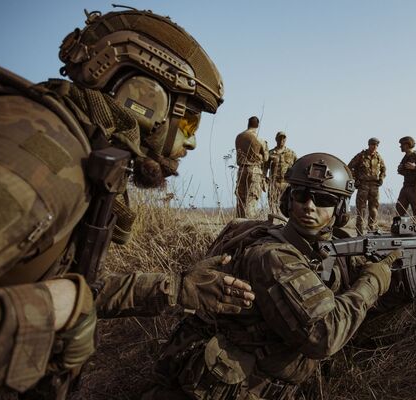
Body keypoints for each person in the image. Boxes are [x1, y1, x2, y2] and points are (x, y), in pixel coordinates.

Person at [0, 8, 254, 398]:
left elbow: (70, 290)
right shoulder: (39, 157)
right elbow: (66, 297)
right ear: (146, 99)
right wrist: (55, 307)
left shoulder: (76, 152)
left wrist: (178, 288)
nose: (192, 141)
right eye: (189, 123)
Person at [146, 153, 400, 399]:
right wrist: (373, 282)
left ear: (340, 209)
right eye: (301, 195)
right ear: (289, 199)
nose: (309, 205)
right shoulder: (273, 255)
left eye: (323, 199)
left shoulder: (321, 248)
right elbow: (324, 336)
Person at [347, 137, 386, 234]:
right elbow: (349, 167)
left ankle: (371, 231)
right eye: (372, 144)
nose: (374, 147)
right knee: (361, 210)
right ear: (369, 145)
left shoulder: (378, 157)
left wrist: (381, 178)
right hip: (363, 185)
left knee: (374, 210)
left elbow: (384, 169)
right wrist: (355, 179)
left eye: (376, 145)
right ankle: (359, 232)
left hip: (374, 186)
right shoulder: (361, 156)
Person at [235, 116, 269, 218]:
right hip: (254, 170)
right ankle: (250, 223)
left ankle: (239, 222)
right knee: (252, 198)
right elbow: (266, 158)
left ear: (248, 124)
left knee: (240, 198)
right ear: (257, 125)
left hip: (241, 170)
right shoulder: (260, 140)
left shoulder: (239, 137)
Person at [264, 131, 297, 216]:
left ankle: (285, 224)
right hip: (274, 184)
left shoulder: (291, 153)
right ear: (276, 139)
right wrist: (264, 179)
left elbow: (297, 167)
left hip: (286, 185)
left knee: (287, 206)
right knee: (273, 207)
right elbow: (265, 168)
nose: (282, 140)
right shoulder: (270, 153)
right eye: (280, 138)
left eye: (284, 138)